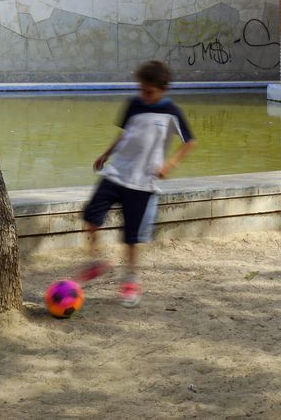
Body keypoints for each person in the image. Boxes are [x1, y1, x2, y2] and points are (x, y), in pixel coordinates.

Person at [77, 60, 196, 307]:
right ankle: (96, 263)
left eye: (149, 91)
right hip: (116, 174)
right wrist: (106, 154)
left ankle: (131, 280)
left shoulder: (172, 112)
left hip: (142, 182)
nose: (144, 95)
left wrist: (169, 165)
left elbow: (189, 142)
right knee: (90, 215)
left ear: (165, 88)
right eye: (141, 89)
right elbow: (125, 135)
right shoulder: (133, 105)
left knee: (131, 237)